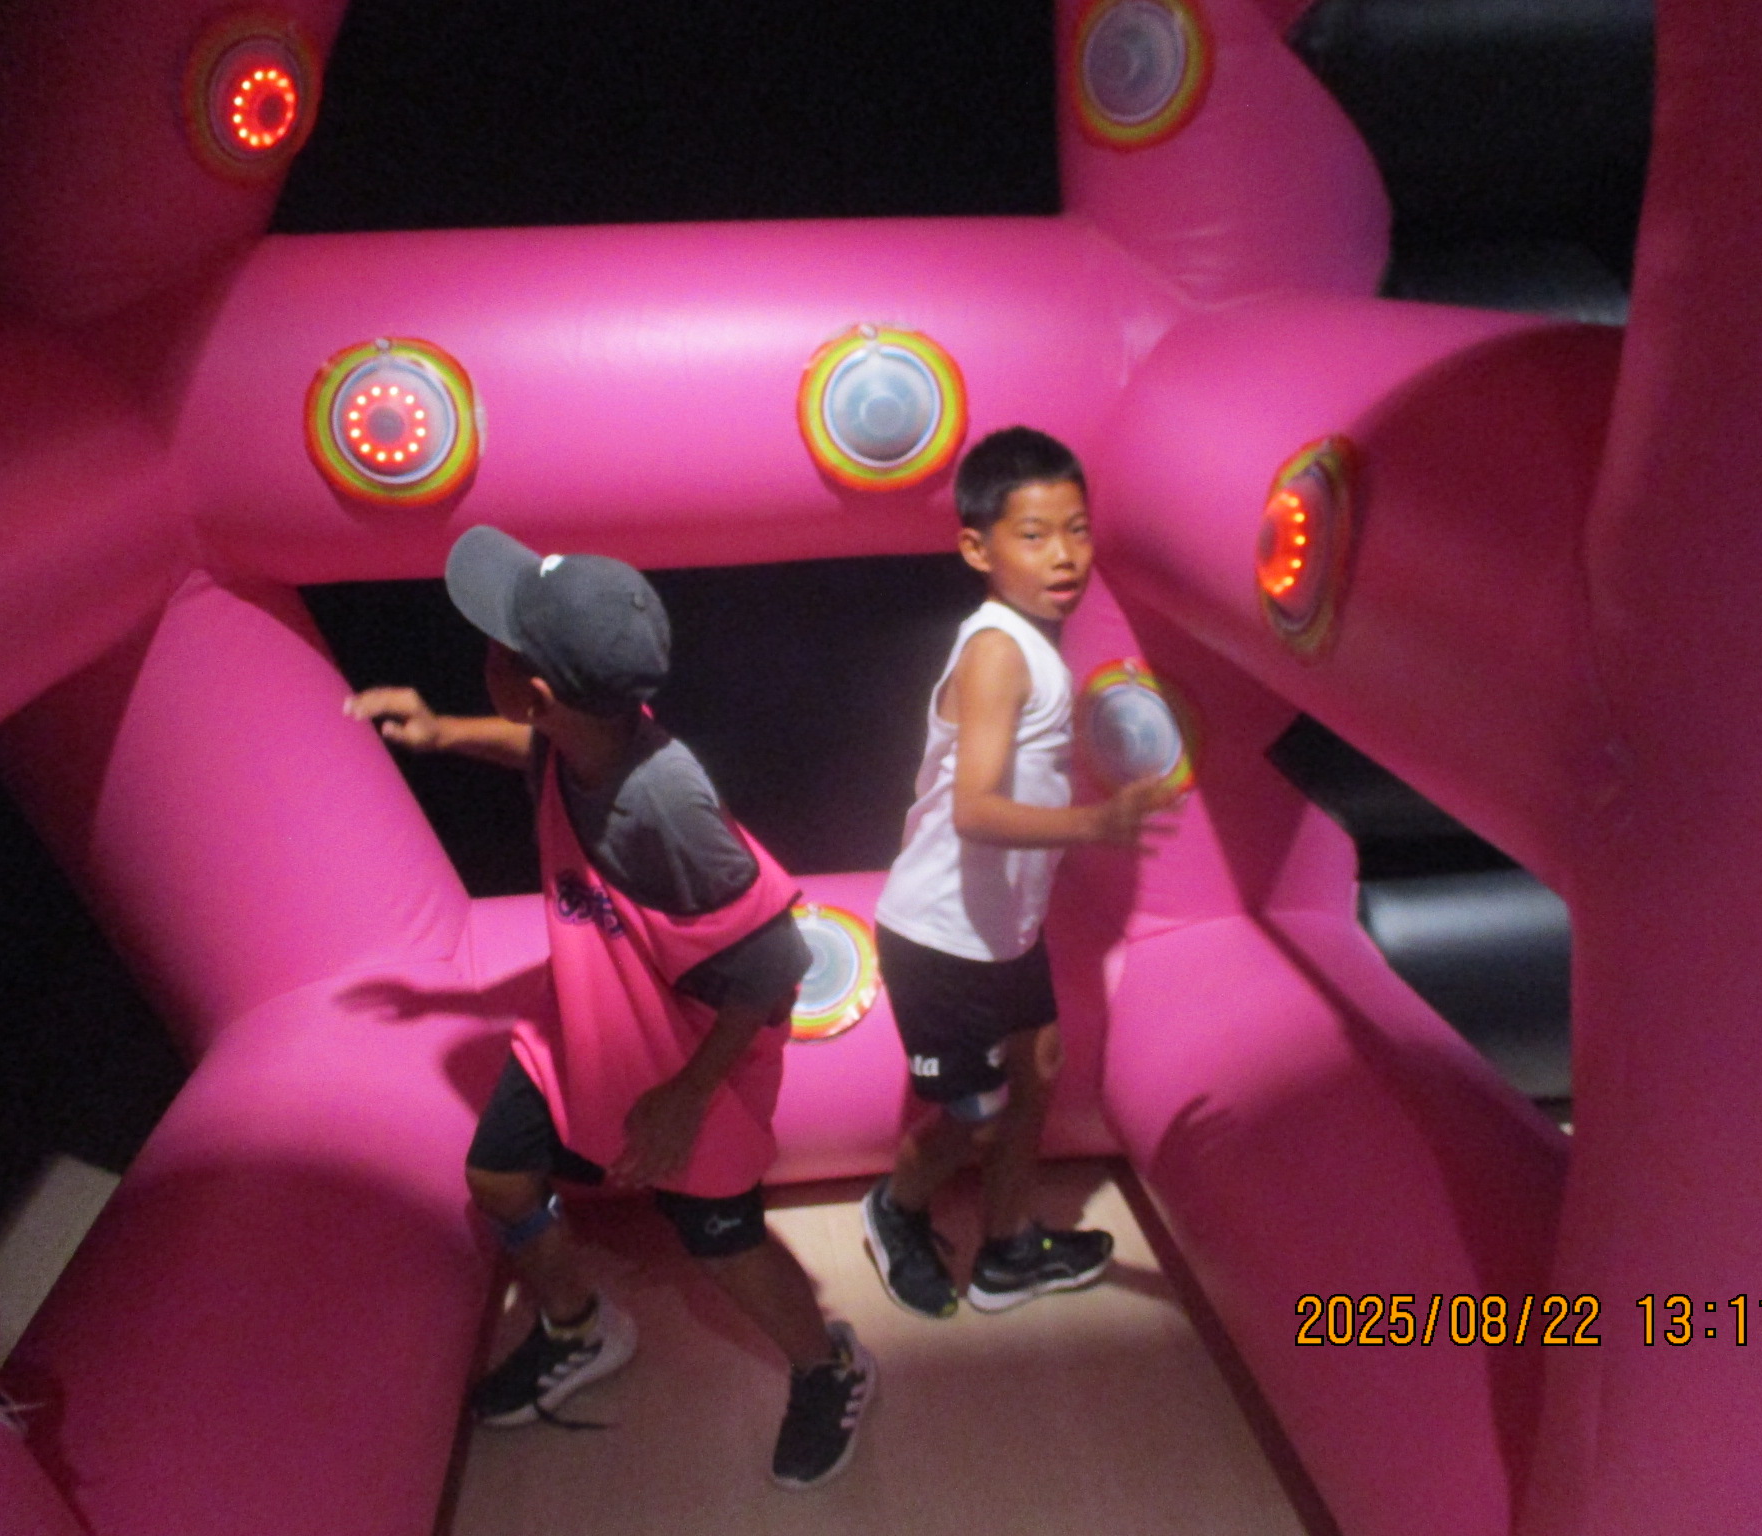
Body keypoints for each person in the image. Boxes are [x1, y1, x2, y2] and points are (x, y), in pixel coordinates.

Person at [347, 528, 873, 1490]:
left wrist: (686, 1097)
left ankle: (827, 1363)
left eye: (498, 645)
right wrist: (443, 730)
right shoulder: (579, 734)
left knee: (725, 1247)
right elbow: (533, 749)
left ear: (535, 690)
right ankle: (580, 1328)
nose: (484, 653)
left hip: (689, 1062)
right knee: (498, 1177)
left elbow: (774, 965)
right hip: (588, 1025)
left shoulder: (663, 810)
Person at [864, 426, 1175, 1319]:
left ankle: (1006, 1250)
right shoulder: (998, 649)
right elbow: (975, 810)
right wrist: (1095, 823)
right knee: (979, 1114)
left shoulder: (1030, 643)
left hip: (1002, 930)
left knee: (1040, 1065)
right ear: (977, 548)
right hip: (941, 937)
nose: (1064, 555)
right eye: (1034, 536)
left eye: (1076, 530)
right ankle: (895, 1209)